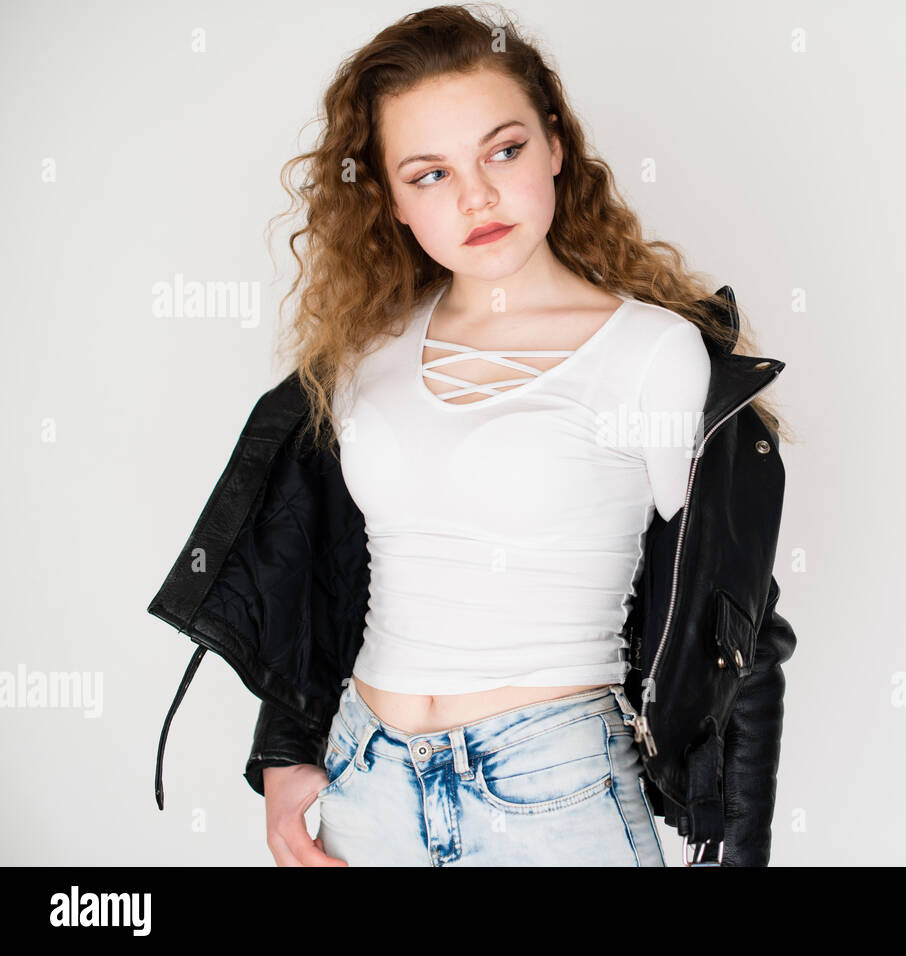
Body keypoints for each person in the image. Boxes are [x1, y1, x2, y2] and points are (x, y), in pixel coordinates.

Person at [148, 3, 795, 867]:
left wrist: (735, 857)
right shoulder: (364, 352)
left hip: (555, 795)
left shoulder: (652, 354)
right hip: (363, 780)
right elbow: (324, 569)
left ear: (556, 145)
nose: (477, 196)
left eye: (505, 150)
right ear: (389, 198)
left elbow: (740, 630)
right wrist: (283, 755)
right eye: (429, 174)